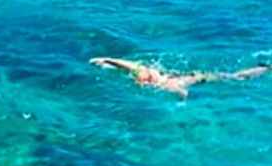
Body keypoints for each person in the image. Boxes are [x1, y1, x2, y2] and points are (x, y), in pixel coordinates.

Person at [90, 57, 272, 100]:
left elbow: (182, 92)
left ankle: (264, 69)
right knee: (233, 76)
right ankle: (263, 68)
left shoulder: (165, 85)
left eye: (142, 81)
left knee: (235, 77)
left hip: (201, 78)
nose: (139, 82)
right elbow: (125, 64)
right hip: (190, 74)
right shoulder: (144, 72)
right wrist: (105, 60)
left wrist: (181, 103)